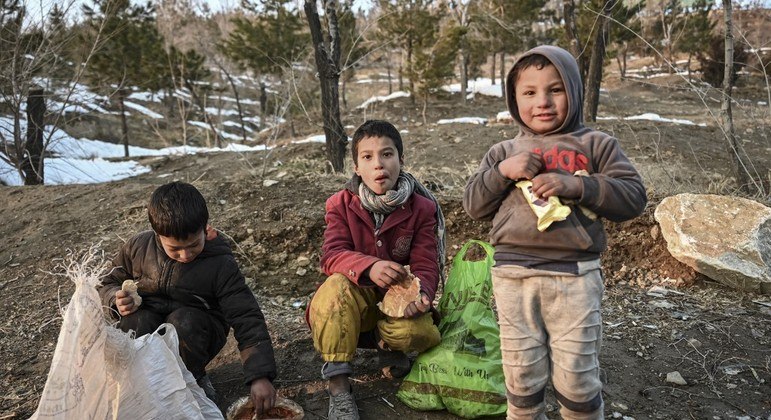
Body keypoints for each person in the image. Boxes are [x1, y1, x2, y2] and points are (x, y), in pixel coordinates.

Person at [464, 45, 647, 420]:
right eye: (529, 93)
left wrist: (578, 186)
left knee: (577, 379)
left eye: (556, 89)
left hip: (575, 277)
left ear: (575, 92)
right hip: (512, 277)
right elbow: (474, 205)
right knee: (520, 376)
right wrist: (502, 172)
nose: (542, 102)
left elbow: (633, 197)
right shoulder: (503, 150)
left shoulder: (596, 144)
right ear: (514, 100)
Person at [98, 181, 277, 416]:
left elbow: (246, 315)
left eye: (194, 245)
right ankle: (143, 385)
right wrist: (114, 299)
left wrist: (260, 375)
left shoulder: (220, 262)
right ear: (157, 234)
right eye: (175, 249)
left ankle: (191, 380)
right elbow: (105, 283)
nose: (185, 255)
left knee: (183, 321)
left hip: (196, 330)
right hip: (150, 326)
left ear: (205, 228)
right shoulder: (137, 248)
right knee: (135, 321)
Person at [307, 120, 445, 420]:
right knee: (334, 290)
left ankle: (387, 344)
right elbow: (332, 255)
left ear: (401, 160)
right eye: (367, 157)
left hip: (394, 302)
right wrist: (370, 266)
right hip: (354, 303)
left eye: (387, 154)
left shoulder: (422, 208)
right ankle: (339, 386)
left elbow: (425, 261)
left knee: (422, 333)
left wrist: (422, 295)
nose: (378, 164)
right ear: (356, 167)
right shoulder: (340, 205)